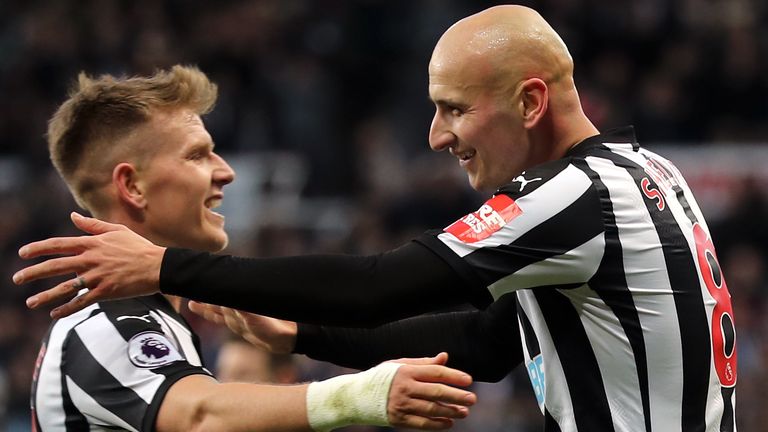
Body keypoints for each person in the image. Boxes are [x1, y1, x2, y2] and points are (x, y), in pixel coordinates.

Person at [15, 5, 737, 431]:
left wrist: (169, 266)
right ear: (129, 187)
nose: (436, 135)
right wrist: (307, 338)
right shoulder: (648, 174)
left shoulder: (571, 197)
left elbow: (382, 284)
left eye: (454, 108)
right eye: (202, 155)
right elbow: (487, 340)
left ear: (530, 102)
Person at [25, 65, 477, 432]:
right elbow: (202, 416)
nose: (225, 172)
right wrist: (362, 395)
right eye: (197, 155)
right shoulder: (100, 323)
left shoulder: (151, 322)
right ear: (132, 185)